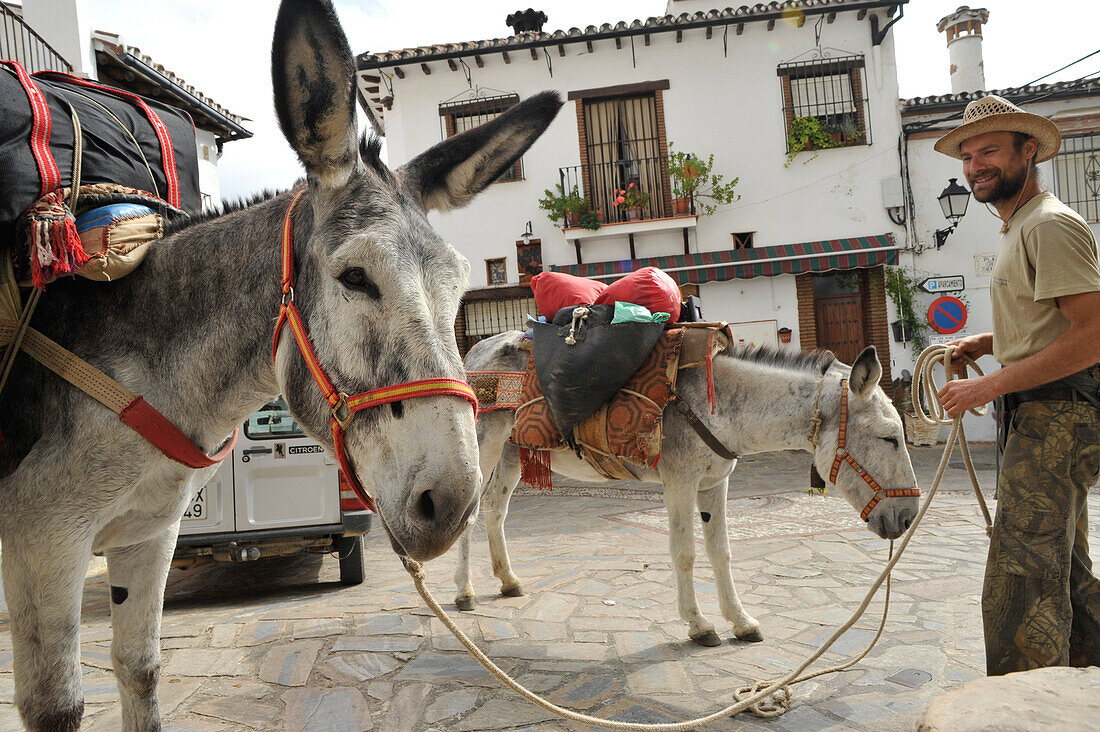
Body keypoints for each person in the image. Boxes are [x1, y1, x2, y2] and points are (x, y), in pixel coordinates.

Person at [933, 95, 1100, 675]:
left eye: (990, 151)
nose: (975, 165)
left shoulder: (1049, 225)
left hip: (1059, 417)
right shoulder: (1020, 226)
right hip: (1043, 415)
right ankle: (1085, 681)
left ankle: (1018, 706)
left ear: (1029, 151)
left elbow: (1093, 335)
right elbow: (1045, 326)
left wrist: (987, 387)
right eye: (968, 154)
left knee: (1023, 575)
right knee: (1064, 564)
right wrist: (986, 344)